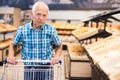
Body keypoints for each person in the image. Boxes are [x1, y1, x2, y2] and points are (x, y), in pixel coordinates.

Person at [7, 1, 62, 80]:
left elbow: (59, 45)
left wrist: (56, 56)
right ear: (32, 14)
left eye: (44, 15)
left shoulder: (51, 30)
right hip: (29, 68)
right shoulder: (22, 30)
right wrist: (11, 56)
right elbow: (13, 45)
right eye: (38, 14)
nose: (41, 18)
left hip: (46, 68)